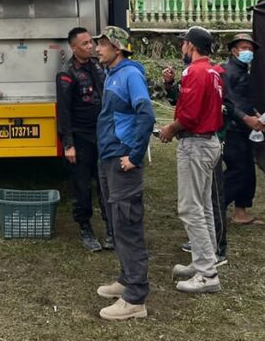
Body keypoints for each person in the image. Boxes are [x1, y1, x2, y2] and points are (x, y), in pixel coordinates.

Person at [92, 26, 155, 321]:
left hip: (122, 161)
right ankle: (126, 278)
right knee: (116, 221)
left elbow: (147, 114)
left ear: (118, 48)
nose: (97, 48)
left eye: (103, 44)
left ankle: (135, 298)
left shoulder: (130, 75)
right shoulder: (110, 74)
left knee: (127, 226)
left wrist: (135, 155)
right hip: (108, 158)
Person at [160, 26, 224, 294]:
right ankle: (204, 262)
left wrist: (169, 129)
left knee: (190, 208)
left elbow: (189, 115)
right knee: (203, 207)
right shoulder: (214, 71)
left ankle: (207, 273)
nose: (181, 48)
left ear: (191, 45)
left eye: (183, 44)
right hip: (210, 141)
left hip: (196, 143)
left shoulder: (194, 71)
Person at [56, 27, 113, 253]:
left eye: (91, 42)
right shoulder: (67, 73)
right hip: (80, 137)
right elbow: (64, 112)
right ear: (73, 47)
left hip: (103, 134)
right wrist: (68, 144)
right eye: (85, 44)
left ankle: (111, 228)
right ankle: (85, 228)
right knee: (81, 186)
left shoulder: (98, 65)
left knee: (106, 183)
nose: (90, 47)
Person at [222, 33, 265, 225]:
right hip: (232, 129)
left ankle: (241, 212)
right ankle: (214, 208)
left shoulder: (243, 72)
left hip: (245, 129)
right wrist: (245, 118)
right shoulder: (227, 72)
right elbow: (228, 103)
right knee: (237, 171)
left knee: (248, 171)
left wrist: (256, 115)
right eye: (243, 48)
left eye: (250, 49)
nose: (247, 52)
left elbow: (244, 101)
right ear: (233, 50)